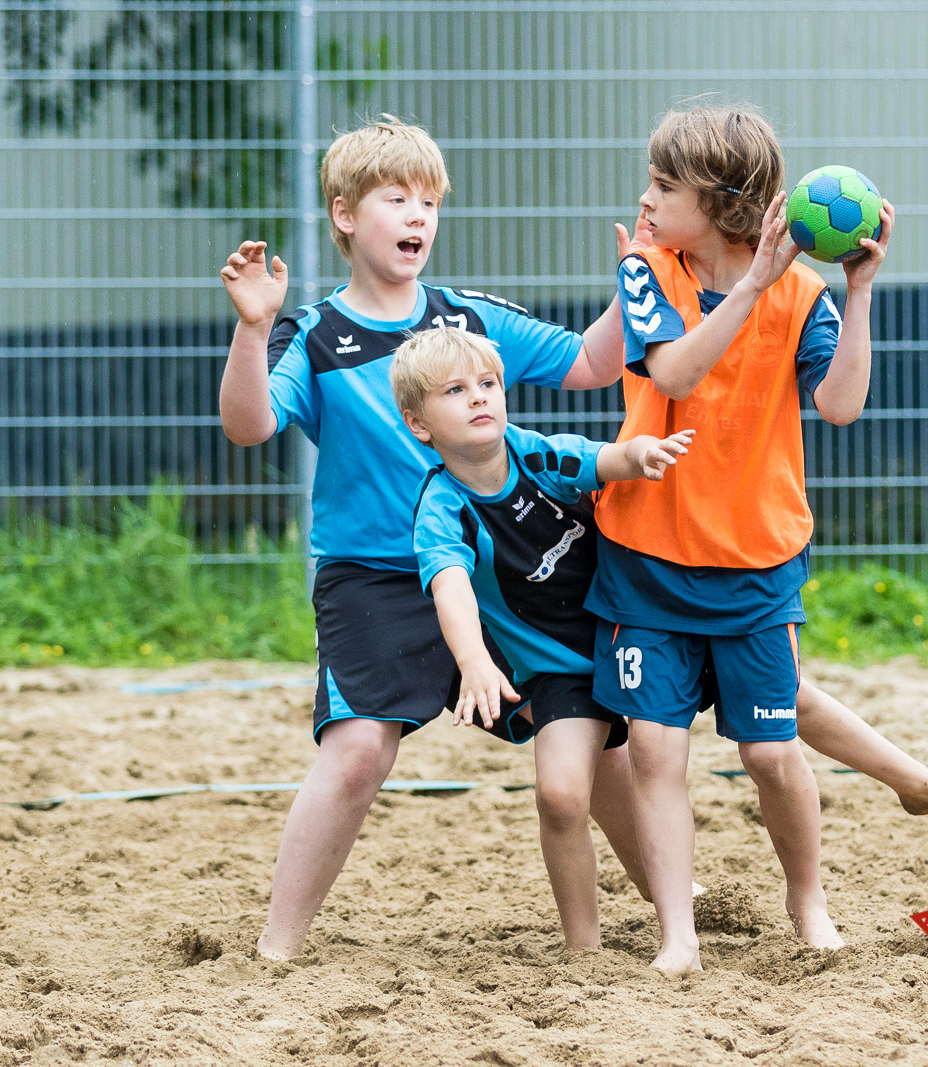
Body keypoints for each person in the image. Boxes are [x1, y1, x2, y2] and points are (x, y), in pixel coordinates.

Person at [586, 104, 928, 973]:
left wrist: (857, 292)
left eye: (667, 185)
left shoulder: (803, 293)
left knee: (772, 750)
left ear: (722, 202)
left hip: (756, 555)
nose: (647, 195)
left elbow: (841, 405)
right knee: (657, 747)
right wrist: (747, 287)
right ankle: (678, 932)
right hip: (647, 554)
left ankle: (806, 898)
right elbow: (672, 370)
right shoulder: (646, 269)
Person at [216, 115, 652, 961]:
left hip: (494, 573)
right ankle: (276, 949)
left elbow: (593, 362)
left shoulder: (464, 322)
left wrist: (637, 278)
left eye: (429, 201)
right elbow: (248, 425)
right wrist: (247, 325)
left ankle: (675, 897)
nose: (417, 215)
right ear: (345, 215)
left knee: (595, 750)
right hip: (374, 578)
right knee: (356, 754)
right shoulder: (311, 334)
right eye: (395, 199)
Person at [394, 326, 692, 949]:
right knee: (561, 795)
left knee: (782, 704)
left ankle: (678, 898)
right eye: (456, 390)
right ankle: (584, 949)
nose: (480, 398)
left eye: (489, 384)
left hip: (634, 632)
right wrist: (472, 661)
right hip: (562, 671)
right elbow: (449, 586)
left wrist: (638, 456)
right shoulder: (441, 508)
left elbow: (600, 459)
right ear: (420, 425)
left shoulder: (533, 455)